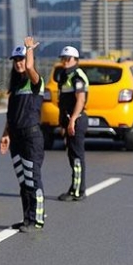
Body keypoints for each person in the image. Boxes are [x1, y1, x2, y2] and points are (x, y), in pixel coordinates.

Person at [0, 37, 46, 232]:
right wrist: (6, 135)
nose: (19, 63)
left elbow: (29, 67)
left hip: (31, 138)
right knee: (23, 181)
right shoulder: (16, 88)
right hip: (17, 138)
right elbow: (11, 116)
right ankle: (27, 218)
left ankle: (37, 220)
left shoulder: (35, 82)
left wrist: (29, 50)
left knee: (32, 179)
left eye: (21, 59)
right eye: (16, 60)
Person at [56, 46, 89, 201]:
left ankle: (77, 191)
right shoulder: (65, 75)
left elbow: (80, 99)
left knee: (76, 157)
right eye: (63, 58)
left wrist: (73, 120)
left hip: (76, 119)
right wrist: (63, 123)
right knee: (72, 155)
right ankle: (74, 188)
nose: (64, 62)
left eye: (67, 59)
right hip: (69, 119)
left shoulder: (77, 76)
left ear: (75, 60)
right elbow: (63, 102)